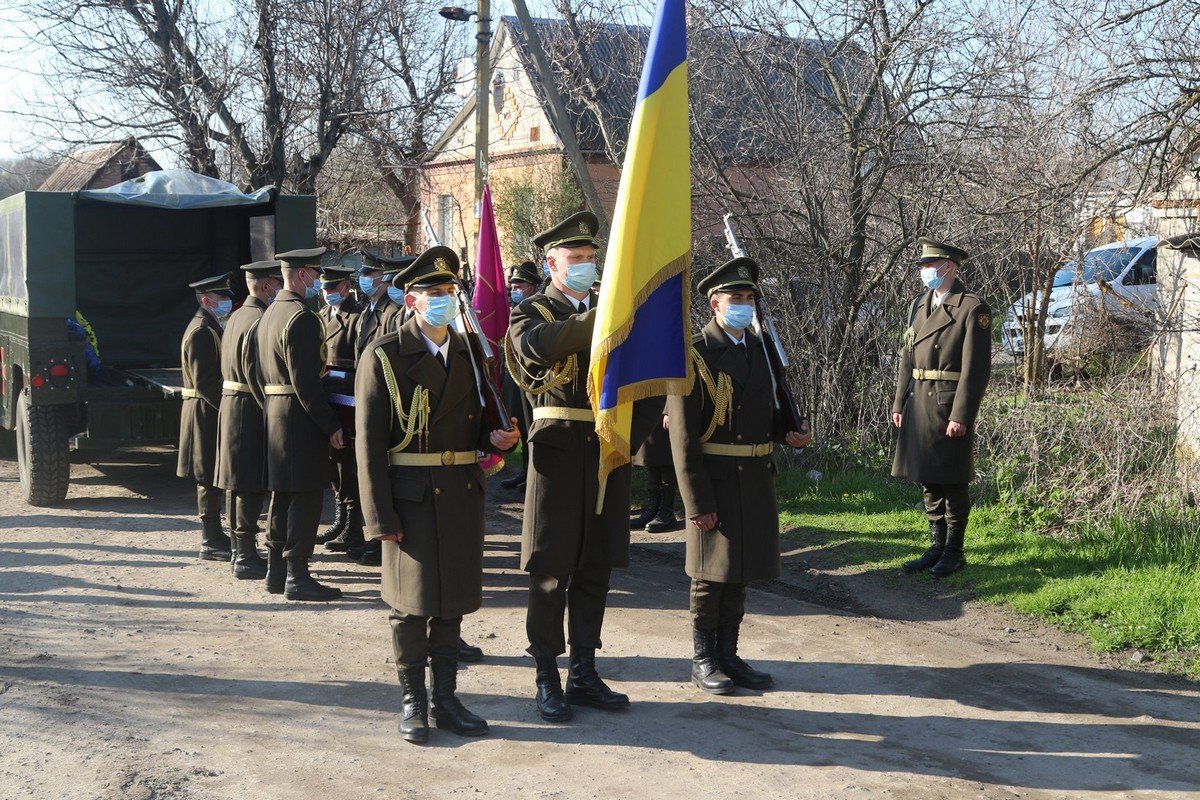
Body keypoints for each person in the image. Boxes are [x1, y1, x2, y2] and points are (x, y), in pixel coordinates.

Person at [356, 246, 519, 743]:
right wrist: (378, 517)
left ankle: (446, 699)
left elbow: (475, 424)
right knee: (411, 606)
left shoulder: (470, 352)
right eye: (433, 293)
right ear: (411, 300)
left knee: (452, 603)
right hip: (410, 497)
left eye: (450, 292)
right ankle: (413, 700)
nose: (444, 300)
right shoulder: (383, 355)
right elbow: (368, 446)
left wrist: (494, 441)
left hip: (461, 493)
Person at [506, 211, 657, 722]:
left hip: (607, 451)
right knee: (551, 569)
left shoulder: (615, 313)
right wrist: (607, 317)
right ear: (552, 263)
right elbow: (538, 349)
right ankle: (546, 670)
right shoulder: (533, 310)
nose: (587, 268)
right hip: (557, 452)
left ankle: (585, 669)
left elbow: (649, 382)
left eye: (593, 260)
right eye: (577, 260)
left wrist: (630, 438)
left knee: (596, 566)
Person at [668, 257, 812, 695]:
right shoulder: (694, 355)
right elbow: (685, 438)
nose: (744, 306)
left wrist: (790, 434)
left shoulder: (760, 350)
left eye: (750, 298)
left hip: (754, 474)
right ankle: (703, 658)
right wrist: (697, 502)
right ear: (715, 304)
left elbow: (760, 416)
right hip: (716, 477)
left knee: (740, 571)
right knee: (711, 575)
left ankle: (729, 653)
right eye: (736, 298)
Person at [249, 246, 346, 602]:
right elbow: (307, 382)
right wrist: (330, 424)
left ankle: (276, 572)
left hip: (275, 414)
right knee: (304, 499)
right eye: (316, 273)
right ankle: (297, 576)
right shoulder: (301, 318)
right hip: (299, 418)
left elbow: (254, 372)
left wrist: (270, 406)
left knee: (281, 497)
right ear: (303, 275)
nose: (319, 280)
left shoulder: (270, 313)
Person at [892, 237, 991, 578]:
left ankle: (954, 550)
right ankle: (935, 545)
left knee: (952, 480)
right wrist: (898, 400)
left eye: (928, 265)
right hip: (918, 400)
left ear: (948, 266)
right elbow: (907, 356)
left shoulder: (972, 308)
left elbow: (976, 369)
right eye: (923, 266)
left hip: (948, 403)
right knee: (928, 478)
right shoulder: (920, 304)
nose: (924, 271)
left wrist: (961, 414)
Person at [215, 260, 282, 579]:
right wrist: (271, 412)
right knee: (249, 484)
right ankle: (244, 556)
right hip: (249, 407)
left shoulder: (237, 314)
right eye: (275, 281)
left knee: (235, 482)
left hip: (232, 404)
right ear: (267, 285)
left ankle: (237, 550)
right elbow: (257, 374)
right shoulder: (259, 318)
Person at [178, 273, 235, 562]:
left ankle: (215, 534)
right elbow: (206, 382)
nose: (227, 301)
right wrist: (227, 410)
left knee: (211, 474)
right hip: (204, 411)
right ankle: (210, 538)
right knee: (207, 475)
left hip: (205, 409)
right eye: (222, 297)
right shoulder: (203, 330)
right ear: (206, 300)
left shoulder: (210, 325)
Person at [316, 265, 363, 551]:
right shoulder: (322, 316)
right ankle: (340, 520)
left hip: (349, 402)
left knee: (349, 467)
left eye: (332, 289)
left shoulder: (357, 318)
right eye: (324, 289)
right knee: (334, 465)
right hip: (328, 401)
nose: (327, 294)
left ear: (346, 287)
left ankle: (353, 529)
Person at [499, 261, 539, 491]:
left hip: (531, 377)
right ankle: (525, 470)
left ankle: (534, 473)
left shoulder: (539, 308)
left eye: (519, 285)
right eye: (512, 286)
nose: (514, 290)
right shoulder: (513, 308)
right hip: (513, 376)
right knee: (520, 425)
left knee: (532, 424)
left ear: (532, 286)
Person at [630, 400, 682, 533]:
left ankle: (666, 512)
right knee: (652, 457)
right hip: (651, 405)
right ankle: (652, 510)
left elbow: (677, 380)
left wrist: (669, 410)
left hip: (667, 404)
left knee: (666, 457)